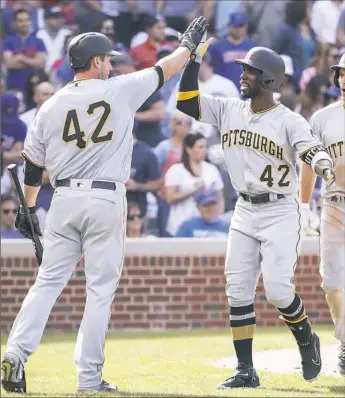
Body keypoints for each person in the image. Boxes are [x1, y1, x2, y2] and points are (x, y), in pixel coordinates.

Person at [0, 18, 209, 394]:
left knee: (46, 283)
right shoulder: (120, 89)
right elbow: (167, 68)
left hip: (62, 199)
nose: (111, 64)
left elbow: (32, 166)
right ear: (94, 62)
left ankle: (15, 354)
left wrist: (28, 208)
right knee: (99, 290)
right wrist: (188, 45)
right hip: (104, 197)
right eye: (106, 59)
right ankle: (88, 377)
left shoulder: (50, 106)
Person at [176, 43, 336, 388]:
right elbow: (185, 101)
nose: (242, 74)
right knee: (237, 289)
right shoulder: (228, 108)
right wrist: (193, 59)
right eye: (243, 69)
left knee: (278, 290)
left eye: (249, 70)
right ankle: (246, 371)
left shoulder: (288, 119)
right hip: (245, 209)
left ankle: (307, 338)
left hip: (279, 208)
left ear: (267, 80)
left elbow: (311, 148)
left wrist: (322, 163)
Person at [299, 52, 345, 377]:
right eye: (341, 74)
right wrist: (303, 205)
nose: (344, 80)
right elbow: (308, 163)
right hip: (334, 203)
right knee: (331, 281)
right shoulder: (323, 117)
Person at [164, 132, 224, 237]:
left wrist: (218, 217)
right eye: (200, 147)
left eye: (205, 147)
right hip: (180, 223)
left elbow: (220, 198)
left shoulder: (211, 169)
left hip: (206, 228)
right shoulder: (176, 169)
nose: (204, 150)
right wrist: (194, 189)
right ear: (188, 149)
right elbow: (170, 197)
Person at [208, 11, 257, 91]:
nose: (238, 29)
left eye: (241, 26)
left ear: (246, 27)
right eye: (235, 26)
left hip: (246, 90)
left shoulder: (253, 47)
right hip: (223, 91)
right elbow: (210, 68)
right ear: (229, 27)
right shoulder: (216, 46)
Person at [2, 8, 46, 96]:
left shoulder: (38, 41)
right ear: (15, 23)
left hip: (35, 87)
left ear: (31, 21)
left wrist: (20, 58)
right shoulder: (8, 40)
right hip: (14, 87)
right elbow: (9, 64)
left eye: (27, 20)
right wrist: (32, 61)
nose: (24, 23)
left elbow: (41, 63)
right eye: (20, 21)